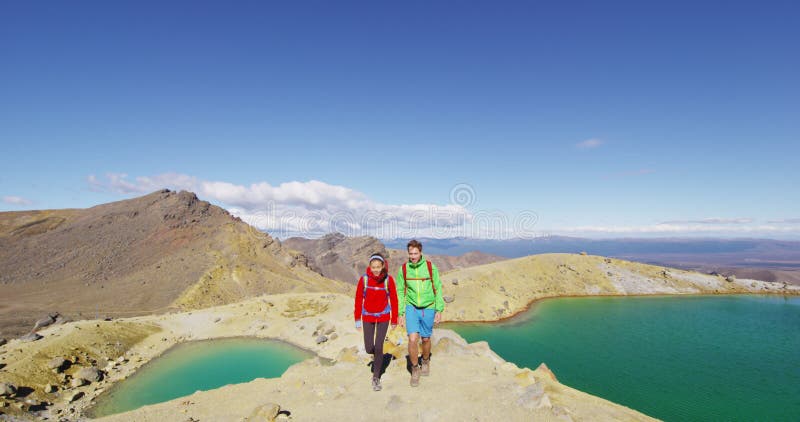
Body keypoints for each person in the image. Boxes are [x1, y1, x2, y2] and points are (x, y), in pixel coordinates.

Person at [396, 239, 444, 387]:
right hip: (411, 307)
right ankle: (415, 368)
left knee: (426, 339)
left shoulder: (430, 267)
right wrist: (400, 312)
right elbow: (400, 291)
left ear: (420, 252)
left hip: (428, 307)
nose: (413, 256)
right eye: (410, 253)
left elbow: (438, 287)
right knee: (412, 339)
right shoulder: (404, 269)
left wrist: (439, 309)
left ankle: (425, 360)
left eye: (415, 253)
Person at [354, 252, 398, 391]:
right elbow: (358, 299)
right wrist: (357, 320)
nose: (376, 270)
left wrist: (394, 319)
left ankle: (376, 377)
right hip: (368, 317)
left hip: (384, 317)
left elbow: (394, 300)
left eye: (378, 267)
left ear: (383, 266)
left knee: (379, 347)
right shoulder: (364, 280)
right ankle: (377, 355)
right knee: (369, 348)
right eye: (374, 267)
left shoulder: (388, 280)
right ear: (370, 267)